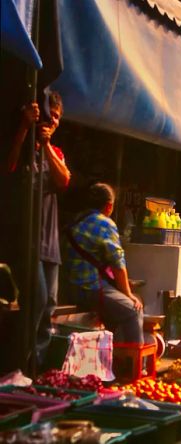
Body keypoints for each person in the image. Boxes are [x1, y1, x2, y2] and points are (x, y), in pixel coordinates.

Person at [4, 93, 71, 365]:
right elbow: (8, 166)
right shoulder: (24, 144)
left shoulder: (54, 152)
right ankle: (15, 365)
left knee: (48, 308)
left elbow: (64, 179)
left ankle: (36, 368)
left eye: (57, 116)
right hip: (27, 241)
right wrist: (24, 128)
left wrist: (45, 145)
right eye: (49, 115)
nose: (52, 120)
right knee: (37, 300)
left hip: (50, 245)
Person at [66, 183, 143, 344]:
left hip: (71, 288)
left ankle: (112, 357)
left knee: (120, 307)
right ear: (109, 206)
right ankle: (132, 366)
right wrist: (128, 294)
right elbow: (118, 264)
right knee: (133, 310)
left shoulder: (76, 221)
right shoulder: (105, 223)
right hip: (91, 289)